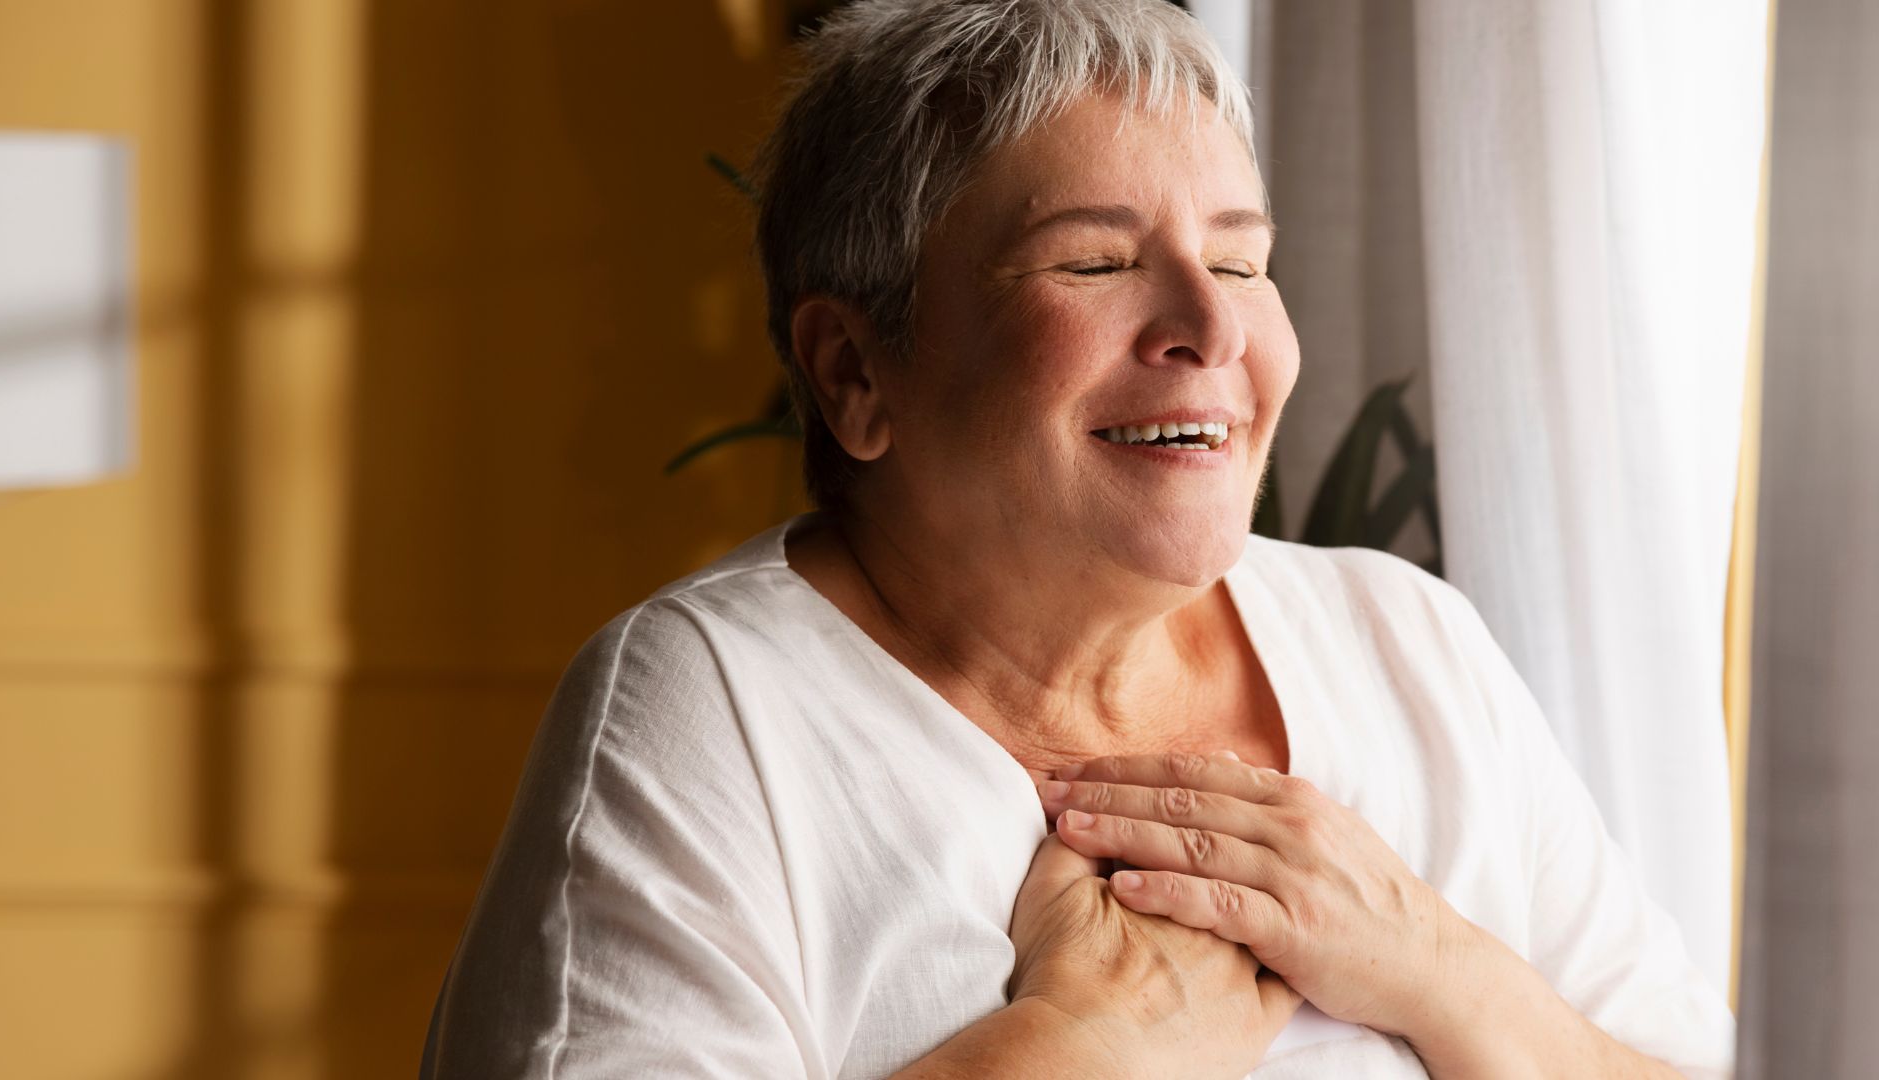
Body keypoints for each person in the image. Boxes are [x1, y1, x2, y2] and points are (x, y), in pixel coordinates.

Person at [419, 0, 1736, 1076]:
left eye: (1238, 260)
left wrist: (1447, 977)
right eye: (1096, 263)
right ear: (856, 372)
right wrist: (1078, 1051)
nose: (1210, 330)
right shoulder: (710, 714)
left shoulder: (1404, 639)